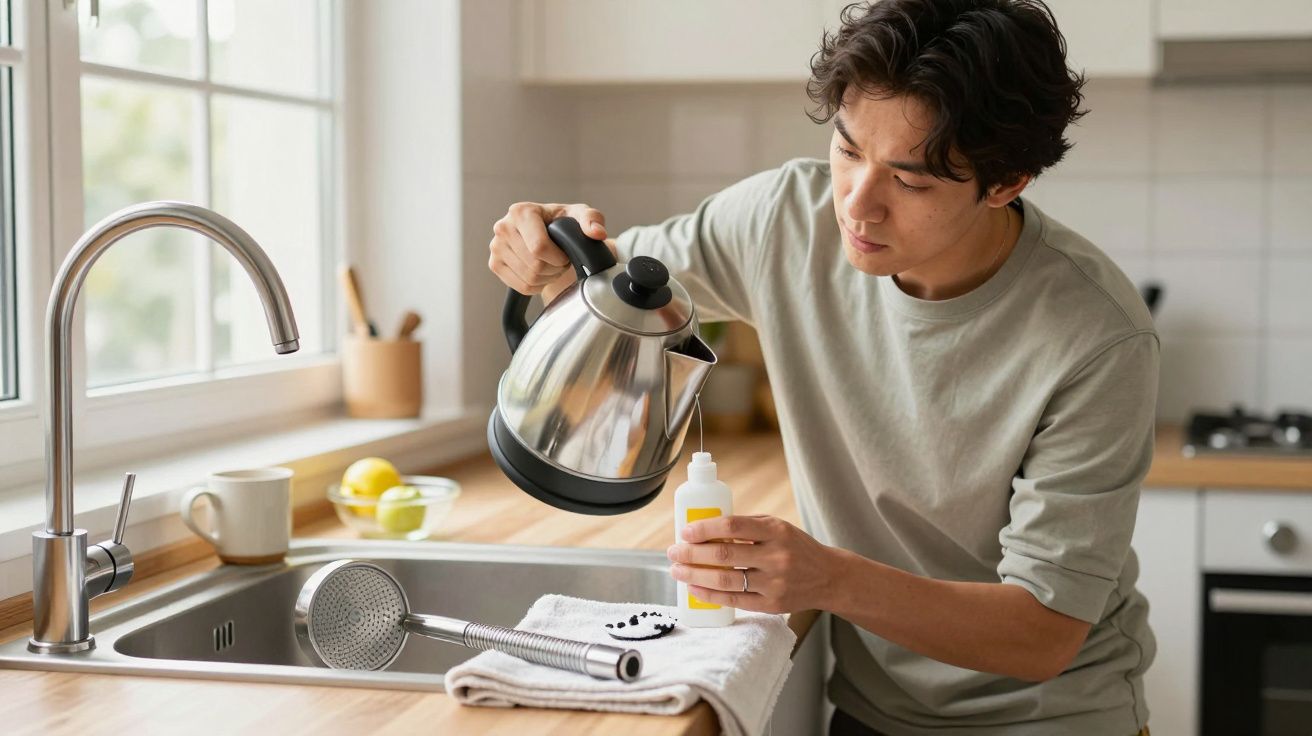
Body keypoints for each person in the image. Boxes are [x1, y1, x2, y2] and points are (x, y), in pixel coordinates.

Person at [486, 1, 1157, 734]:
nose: (857, 206)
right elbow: (618, 284)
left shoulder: (1098, 336)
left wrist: (826, 576)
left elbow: (1043, 633)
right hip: (870, 714)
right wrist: (547, 249)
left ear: (1005, 183)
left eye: (911, 181)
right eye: (847, 150)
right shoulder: (782, 220)